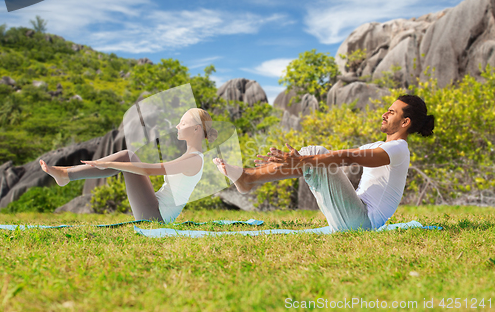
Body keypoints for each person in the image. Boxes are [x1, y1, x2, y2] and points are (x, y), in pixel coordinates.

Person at [214, 95, 434, 232]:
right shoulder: (382, 145)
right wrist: (301, 161)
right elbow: (343, 155)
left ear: (405, 122)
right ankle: (249, 176)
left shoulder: (397, 149)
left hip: (362, 224)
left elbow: (348, 157)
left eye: (392, 112)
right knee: (315, 155)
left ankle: (249, 178)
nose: (384, 114)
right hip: (354, 217)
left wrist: (304, 160)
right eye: (387, 109)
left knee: (315, 153)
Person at [40, 108, 218, 222]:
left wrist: (111, 163)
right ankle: (66, 173)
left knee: (127, 156)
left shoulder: (194, 160)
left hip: (157, 216)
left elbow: (150, 169)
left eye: (183, 123)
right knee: (127, 156)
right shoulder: (191, 156)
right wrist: (109, 164)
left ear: (196, 129)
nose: (177, 126)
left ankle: (66, 175)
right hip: (155, 207)